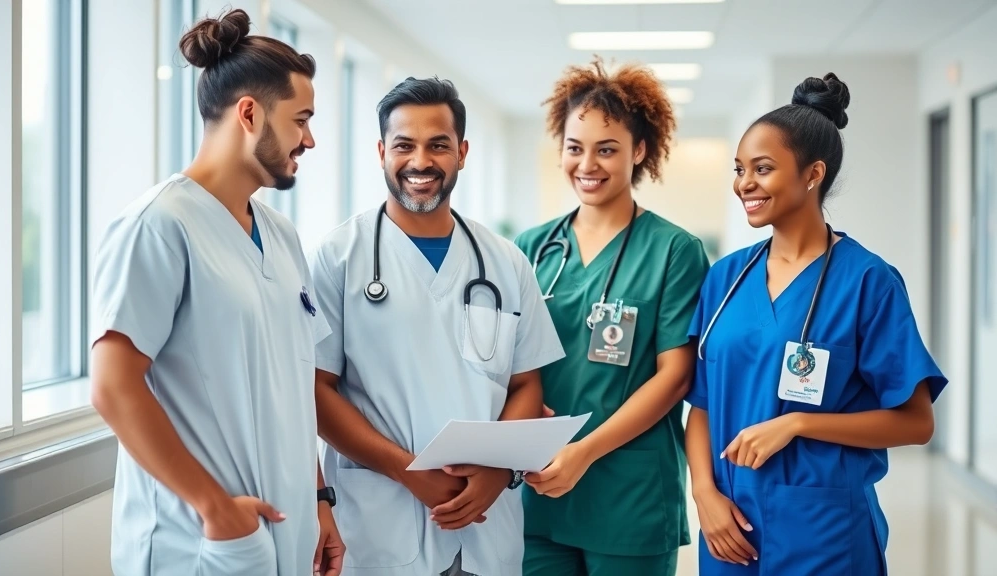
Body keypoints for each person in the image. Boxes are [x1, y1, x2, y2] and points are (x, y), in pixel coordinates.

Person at [89, 9, 344, 576]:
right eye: (300, 119)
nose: (311, 139)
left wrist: (319, 500)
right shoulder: (159, 225)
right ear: (250, 114)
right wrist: (215, 509)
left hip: (286, 527)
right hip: (200, 541)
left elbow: (291, 386)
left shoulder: (280, 234)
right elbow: (112, 386)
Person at [684, 73, 948, 575]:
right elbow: (701, 403)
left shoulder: (868, 280)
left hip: (823, 531)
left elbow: (916, 422)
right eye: (739, 169)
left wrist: (797, 423)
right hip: (728, 529)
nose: (745, 184)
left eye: (763, 168)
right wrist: (704, 494)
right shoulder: (726, 278)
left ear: (813, 174)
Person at [310, 76, 566, 576]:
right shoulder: (338, 258)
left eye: (439, 145)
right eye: (404, 145)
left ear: (462, 152)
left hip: (486, 523)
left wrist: (498, 469)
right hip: (382, 521)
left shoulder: (505, 261)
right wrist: (409, 473)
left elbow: (526, 382)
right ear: (381, 151)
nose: (421, 161)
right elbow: (316, 391)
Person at [513, 58, 709, 576]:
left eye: (607, 149)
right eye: (575, 148)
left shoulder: (674, 251)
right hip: (539, 489)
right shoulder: (531, 249)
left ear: (638, 151)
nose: (588, 164)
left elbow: (676, 376)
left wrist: (584, 452)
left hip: (629, 494)